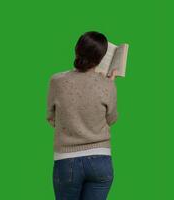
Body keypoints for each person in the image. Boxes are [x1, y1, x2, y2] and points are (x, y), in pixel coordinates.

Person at [47, 31, 118, 200]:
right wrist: (109, 85)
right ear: (101, 58)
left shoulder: (56, 81)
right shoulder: (107, 84)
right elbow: (111, 119)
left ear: (76, 49)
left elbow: (51, 119)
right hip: (101, 161)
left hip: (66, 160)